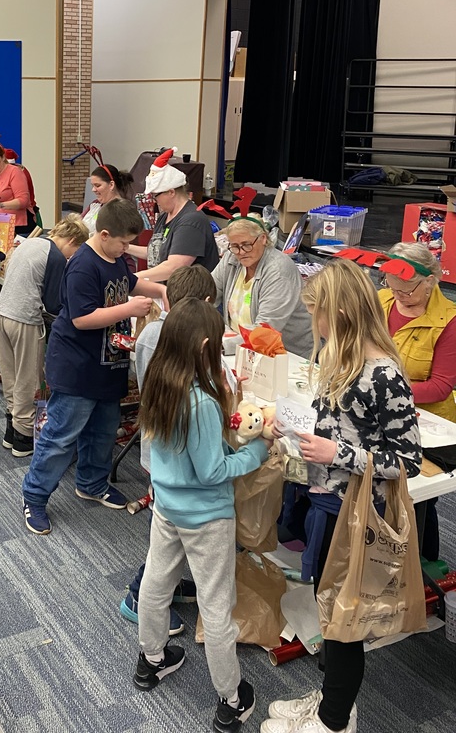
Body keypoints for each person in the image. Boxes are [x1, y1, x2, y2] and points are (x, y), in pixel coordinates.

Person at [261, 259, 421, 733]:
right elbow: (334, 426)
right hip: (327, 501)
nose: (316, 325)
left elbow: (405, 461)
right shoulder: (341, 358)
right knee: (325, 606)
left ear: (343, 314)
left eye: (320, 314)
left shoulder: (384, 375)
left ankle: (334, 721)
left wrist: (339, 452)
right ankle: (332, 700)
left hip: (355, 510)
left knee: (342, 619)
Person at [132, 298, 268, 733]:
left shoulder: (159, 379)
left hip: (167, 506)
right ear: (206, 345)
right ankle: (230, 697)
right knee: (216, 606)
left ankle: (151, 660)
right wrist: (258, 451)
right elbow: (212, 471)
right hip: (207, 517)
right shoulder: (200, 403)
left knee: (156, 583)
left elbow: (184, 450)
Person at [21, 199, 165, 535]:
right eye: (124, 242)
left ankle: (91, 483)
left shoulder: (114, 257)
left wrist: (158, 288)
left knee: (102, 431)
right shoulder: (84, 264)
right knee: (60, 436)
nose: (127, 248)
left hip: (107, 366)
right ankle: (35, 495)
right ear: (103, 234)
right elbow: (83, 318)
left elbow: (128, 282)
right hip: (77, 367)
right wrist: (129, 310)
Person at [120, 264, 220, 635]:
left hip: (157, 444)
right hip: (174, 450)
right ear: (206, 304)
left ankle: (170, 585)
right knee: (170, 531)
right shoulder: (179, 341)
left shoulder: (153, 334)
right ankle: (138, 593)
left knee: (166, 524)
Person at [378, 241, 456, 561]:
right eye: (392, 287)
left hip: (430, 424)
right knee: (383, 486)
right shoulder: (381, 301)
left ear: (430, 282)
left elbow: (440, 386)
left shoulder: (449, 320)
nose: (397, 296)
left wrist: (387, 391)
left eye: (406, 291)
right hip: (381, 412)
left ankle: (423, 562)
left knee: (419, 496)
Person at [0, 214, 89, 457]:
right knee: (28, 379)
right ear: (72, 240)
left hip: (1, 314)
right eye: (75, 251)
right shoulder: (55, 256)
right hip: (24, 319)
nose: (72, 258)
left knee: (10, 374)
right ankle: (24, 437)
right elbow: (53, 303)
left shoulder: (28, 243)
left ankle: (11, 430)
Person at [212, 216, 313, 357]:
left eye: (247, 244)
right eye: (234, 246)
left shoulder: (279, 270)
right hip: (242, 347)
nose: (240, 252)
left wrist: (220, 347)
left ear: (263, 239)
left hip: (286, 355)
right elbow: (208, 293)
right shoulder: (231, 258)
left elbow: (266, 330)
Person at [128, 147, 218, 280]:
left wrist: (131, 279)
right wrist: (124, 247)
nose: (154, 201)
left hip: (188, 296)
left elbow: (173, 268)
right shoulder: (165, 216)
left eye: (155, 195)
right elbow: (155, 253)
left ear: (171, 192)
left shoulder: (191, 221)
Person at [0, 140, 34, 236]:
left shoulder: (15, 172)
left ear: (3, 157)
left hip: (18, 226)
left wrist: (0, 205)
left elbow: (23, 201)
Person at [82, 163, 134, 235]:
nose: (93, 189)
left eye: (97, 185)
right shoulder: (95, 204)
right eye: (93, 186)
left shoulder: (123, 212)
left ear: (111, 185)